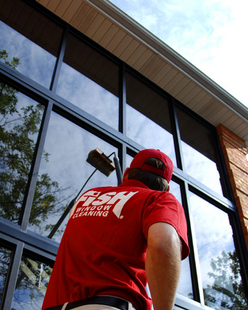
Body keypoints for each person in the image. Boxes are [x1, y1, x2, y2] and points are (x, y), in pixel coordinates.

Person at [42, 149, 190, 310]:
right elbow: (163, 243)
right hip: (109, 305)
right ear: (166, 189)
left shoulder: (87, 196)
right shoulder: (160, 199)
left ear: (126, 174)